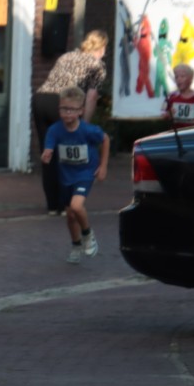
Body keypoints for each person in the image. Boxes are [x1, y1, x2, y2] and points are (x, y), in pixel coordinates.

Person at [32, 29, 108, 216]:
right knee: (68, 156)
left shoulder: (67, 56)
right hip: (63, 103)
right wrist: (84, 124)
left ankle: (52, 206)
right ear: (102, 48)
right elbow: (91, 96)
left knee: (48, 152)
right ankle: (65, 204)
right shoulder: (97, 65)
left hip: (41, 100)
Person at [41, 85, 110, 265]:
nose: (67, 113)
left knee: (76, 206)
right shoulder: (55, 130)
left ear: (81, 111)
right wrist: (47, 153)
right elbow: (49, 145)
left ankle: (88, 235)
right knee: (71, 216)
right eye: (63, 109)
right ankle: (76, 245)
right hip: (66, 176)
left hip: (85, 173)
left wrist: (103, 166)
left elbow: (105, 139)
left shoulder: (88, 130)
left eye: (71, 109)